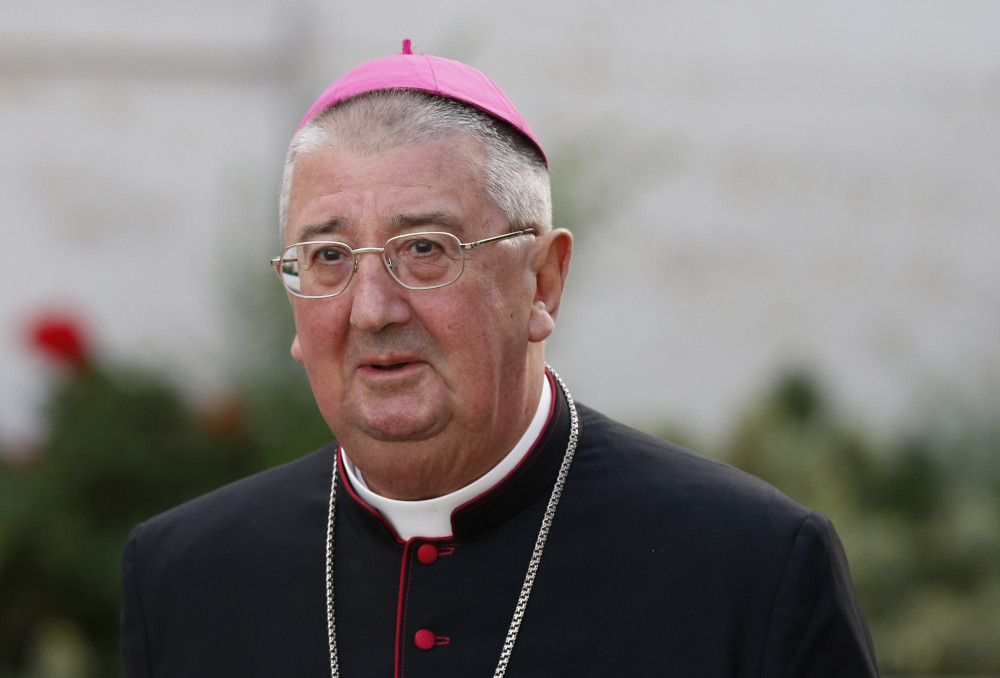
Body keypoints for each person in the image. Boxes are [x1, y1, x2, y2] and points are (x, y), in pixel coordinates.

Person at [121, 41, 879, 677]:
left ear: (543, 283)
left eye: (425, 249)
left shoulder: (752, 570)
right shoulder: (185, 576)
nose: (373, 309)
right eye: (328, 257)